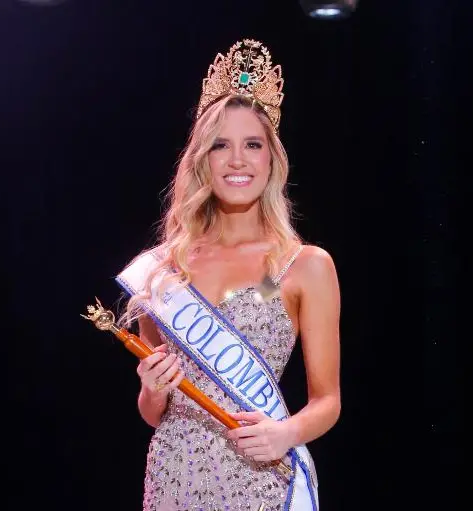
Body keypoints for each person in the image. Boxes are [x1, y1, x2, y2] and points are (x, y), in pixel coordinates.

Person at [116, 39, 341, 511]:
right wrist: (150, 387)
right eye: (221, 145)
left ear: (271, 160)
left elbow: (328, 401)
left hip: (260, 477)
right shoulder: (163, 270)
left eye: (252, 145)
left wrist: (287, 433)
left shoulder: (302, 266)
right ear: (203, 160)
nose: (237, 160)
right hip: (174, 478)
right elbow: (154, 414)